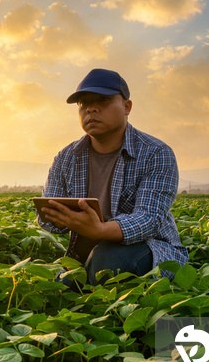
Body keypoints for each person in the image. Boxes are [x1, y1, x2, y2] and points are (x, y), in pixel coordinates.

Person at [38, 68, 188, 286]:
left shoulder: (156, 152)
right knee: (60, 285)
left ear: (127, 107)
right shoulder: (66, 157)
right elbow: (48, 217)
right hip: (86, 250)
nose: (91, 108)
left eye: (103, 100)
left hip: (149, 247)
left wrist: (100, 229)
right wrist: (56, 216)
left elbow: (149, 218)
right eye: (83, 103)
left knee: (108, 260)